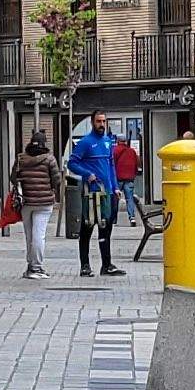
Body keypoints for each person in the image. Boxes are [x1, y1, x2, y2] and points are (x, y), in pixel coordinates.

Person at [63, 114, 122, 277]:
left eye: (104, 121)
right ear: (92, 122)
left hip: (108, 192)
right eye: (98, 121)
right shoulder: (85, 143)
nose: (101, 124)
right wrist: (87, 173)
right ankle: (85, 265)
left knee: (106, 228)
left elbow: (111, 166)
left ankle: (107, 264)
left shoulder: (108, 142)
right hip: (91, 193)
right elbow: (72, 163)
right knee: (87, 228)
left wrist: (115, 187)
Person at [10, 135, 62, 280]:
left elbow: (13, 178)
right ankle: (36, 267)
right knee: (39, 235)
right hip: (44, 203)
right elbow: (56, 179)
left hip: (26, 203)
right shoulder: (49, 159)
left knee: (30, 236)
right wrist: (50, 189)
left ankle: (30, 266)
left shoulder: (21, 159)